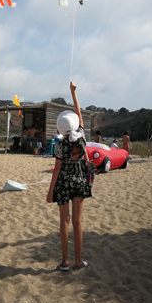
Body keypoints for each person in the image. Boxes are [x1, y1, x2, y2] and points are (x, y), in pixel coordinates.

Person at [46, 82, 91, 272]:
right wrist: (73, 93)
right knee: (77, 222)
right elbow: (78, 113)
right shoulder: (81, 137)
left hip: (63, 182)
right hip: (80, 180)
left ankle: (64, 261)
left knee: (64, 221)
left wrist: (50, 192)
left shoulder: (60, 146)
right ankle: (78, 262)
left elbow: (56, 170)